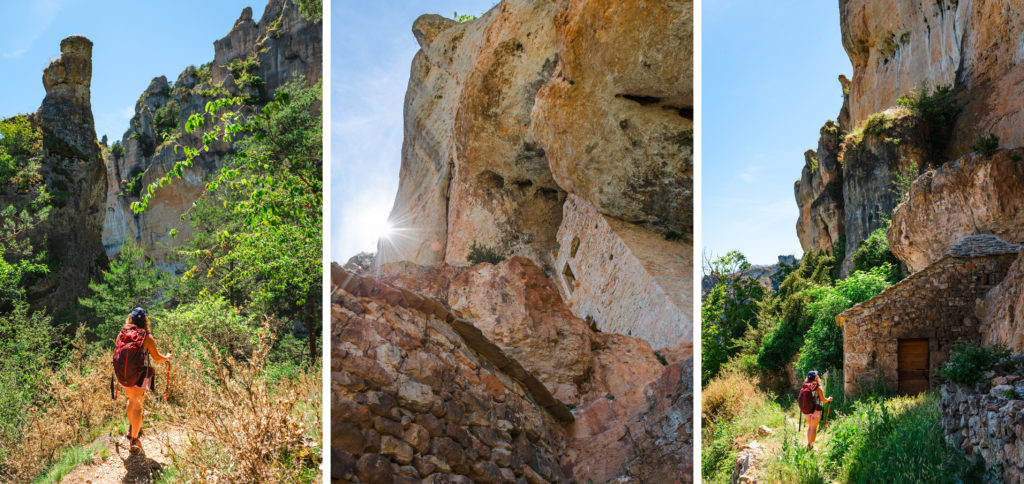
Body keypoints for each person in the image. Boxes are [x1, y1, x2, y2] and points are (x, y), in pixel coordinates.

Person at [113, 307, 171, 452]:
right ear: (145, 320)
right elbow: (157, 358)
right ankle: (134, 440)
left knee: (131, 400)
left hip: (123, 376)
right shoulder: (147, 337)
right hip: (139, 377)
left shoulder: (122, 334)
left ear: (130, 319)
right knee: (138, 405)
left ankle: (131, 428)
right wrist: (167, 358)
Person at [799, 370, 832, 450]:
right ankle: (810, 446)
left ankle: (809, 444)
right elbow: (823, 400)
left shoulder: (804, 386)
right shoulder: (818, 387)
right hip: (815, 410)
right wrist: (829, 399)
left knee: (810, 427)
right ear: (816, 377)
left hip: (806, 410)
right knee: (814, 428)